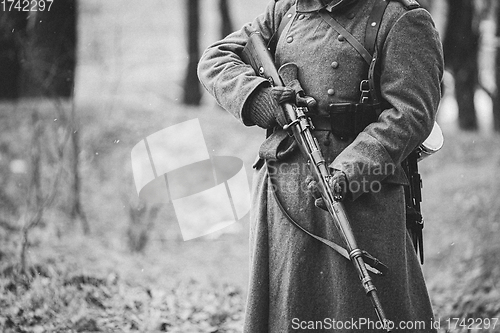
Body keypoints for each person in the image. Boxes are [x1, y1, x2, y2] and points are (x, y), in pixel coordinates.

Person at [197, 0, 444, 331]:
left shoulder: (400, 18)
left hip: (360, 199)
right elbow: (216, 59)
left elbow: (411, 113)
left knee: (363, 313)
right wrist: (258, 98)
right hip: (285, 193)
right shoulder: (285, 10)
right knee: (287, 311)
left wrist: (350, 172)